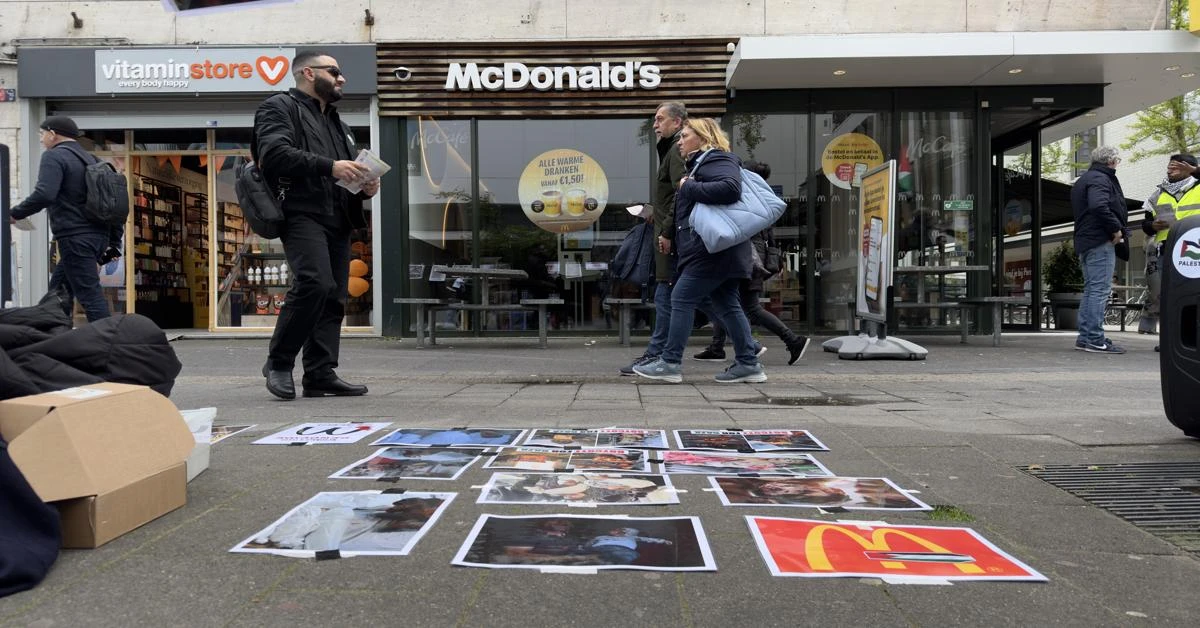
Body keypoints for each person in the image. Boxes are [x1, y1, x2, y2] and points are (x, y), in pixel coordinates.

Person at [255, 51, 378, 399]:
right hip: (300, 212)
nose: (342, 79)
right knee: (314, 282)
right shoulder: (279, 107)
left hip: (338, 216)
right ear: (309, 73)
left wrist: (365, 183)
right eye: (335, 72)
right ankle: (279, 363)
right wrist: (331, 166)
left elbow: (346, 171)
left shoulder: (339, 123)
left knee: (334, 295)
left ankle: (320, 373)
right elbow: (274, 155)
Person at [633, 118, 765, 383]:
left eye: (685, 136)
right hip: (718, 251)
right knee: (727, 305)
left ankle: (670, 363)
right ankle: (748, 364)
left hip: (711, 251)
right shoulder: (702, 164)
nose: (680, 141)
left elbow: (730, 189)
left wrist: (686, 186)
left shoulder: (717, 159)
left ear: (703, 138)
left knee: (680, 299)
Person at [692, 161, 810, 365]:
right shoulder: (761, 197)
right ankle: (717, 347)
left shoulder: (750, 199)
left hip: (748, 259)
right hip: (751, 258)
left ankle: (793, 340)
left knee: (748, 306)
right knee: (725, 300)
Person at [10, 116, 122, 323]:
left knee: (89, 295)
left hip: (75, 237)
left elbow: (45, 194)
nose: (42, 139)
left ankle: (110, 342)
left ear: (53, 134)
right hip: (98, 237)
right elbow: (114, 204)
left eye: (42, 134)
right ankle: (51, 335)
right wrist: (114, 242)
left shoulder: (54, 156)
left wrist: (15, 213)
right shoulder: (93, 160)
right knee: (57, 292)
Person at [619, 102, 688, 375]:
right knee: (702, 297)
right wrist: (655, 213)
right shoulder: (669, 151)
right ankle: (748, 347)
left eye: (660, 119)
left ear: (678, 123)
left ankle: (658, 354)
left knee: (665, 295)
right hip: (667, 234)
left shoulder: (675, 153)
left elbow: (682, 194)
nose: (655, 124)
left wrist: (667, 230)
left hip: (669, 240)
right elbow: (673, 197)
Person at [1069, 146, 1129, 354]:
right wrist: (1115, 229)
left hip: (1086, 240)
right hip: (1099, 240)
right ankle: (1095, 338)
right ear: (1111, 161)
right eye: (1117, 160)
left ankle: (1085, 337)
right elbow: (1098, 206)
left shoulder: (1084, 179)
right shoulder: (1101, 179)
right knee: (1099, 290)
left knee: (1091, 289)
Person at [1139, 155, 1200, 347]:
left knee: (1192, 295)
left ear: (1190, 168)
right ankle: (1168, 341)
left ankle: (1191, 339)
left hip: (1194, 248)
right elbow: (1146, 223)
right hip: (1165, 248)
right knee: (1167, 296)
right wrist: (1152, 226)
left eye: (1176, 167)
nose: (1170, 170)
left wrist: (1196, 172)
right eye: (1169, 166)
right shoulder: (1158, 194)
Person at [586, 526, 672, 564]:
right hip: (600, 548)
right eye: (614, 530)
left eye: (618, 530)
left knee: (626, 557)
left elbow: (648, 540)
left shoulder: (631, 537)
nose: (614, 531)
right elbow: (591, 542)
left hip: (623, 550)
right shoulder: (602, 536)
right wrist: (587, 547)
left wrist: (664, 541)